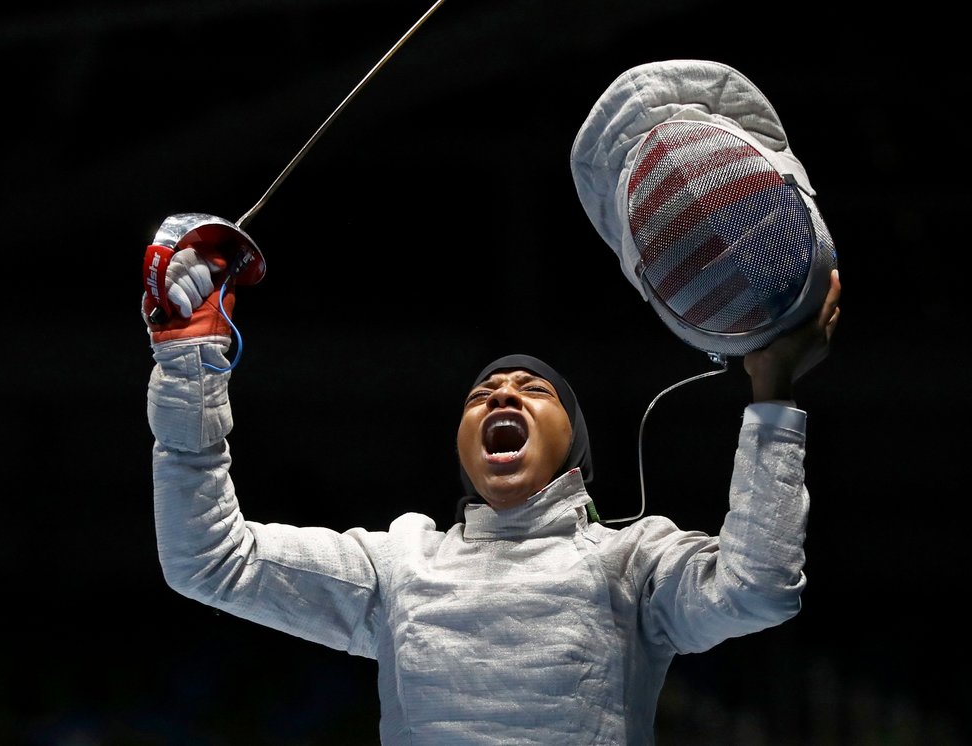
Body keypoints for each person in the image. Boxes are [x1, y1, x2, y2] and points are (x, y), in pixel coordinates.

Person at [143, 62, 842, 745]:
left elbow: (759, 589)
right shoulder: (400, 567)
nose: (503, 392)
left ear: (574, 450)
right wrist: (187, 363)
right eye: (483, 395)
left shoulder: (632, 566)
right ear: (464, 448)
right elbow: (206, 559)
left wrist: (772, 397)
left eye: (533, 389)